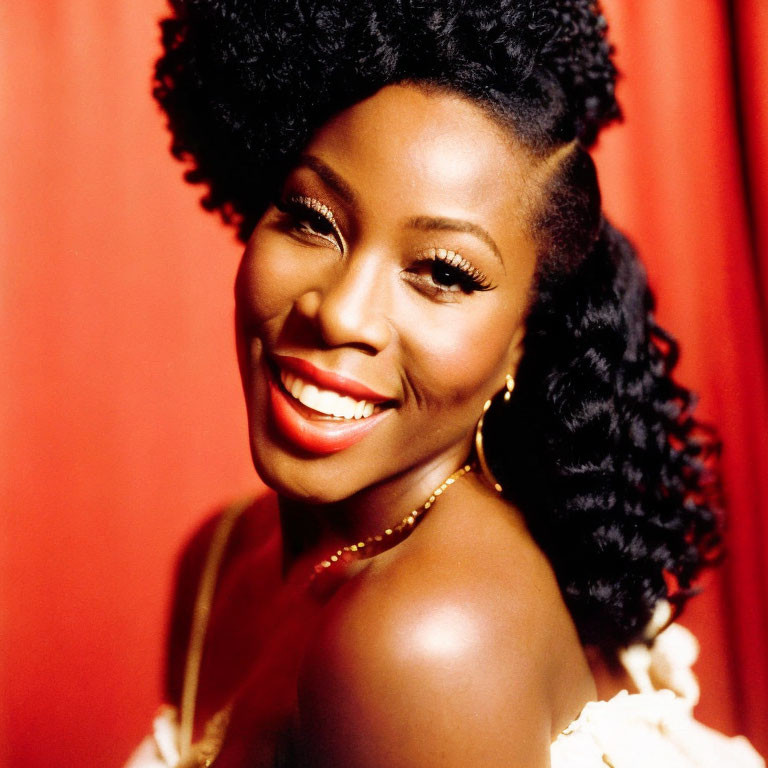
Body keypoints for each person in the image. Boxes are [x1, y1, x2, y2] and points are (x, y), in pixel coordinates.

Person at [128, 1, 765, 766]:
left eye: (442, 273)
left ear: (522, 340)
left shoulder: (424, 637)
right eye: (311, 218)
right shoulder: (223, 555)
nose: (340, 313)